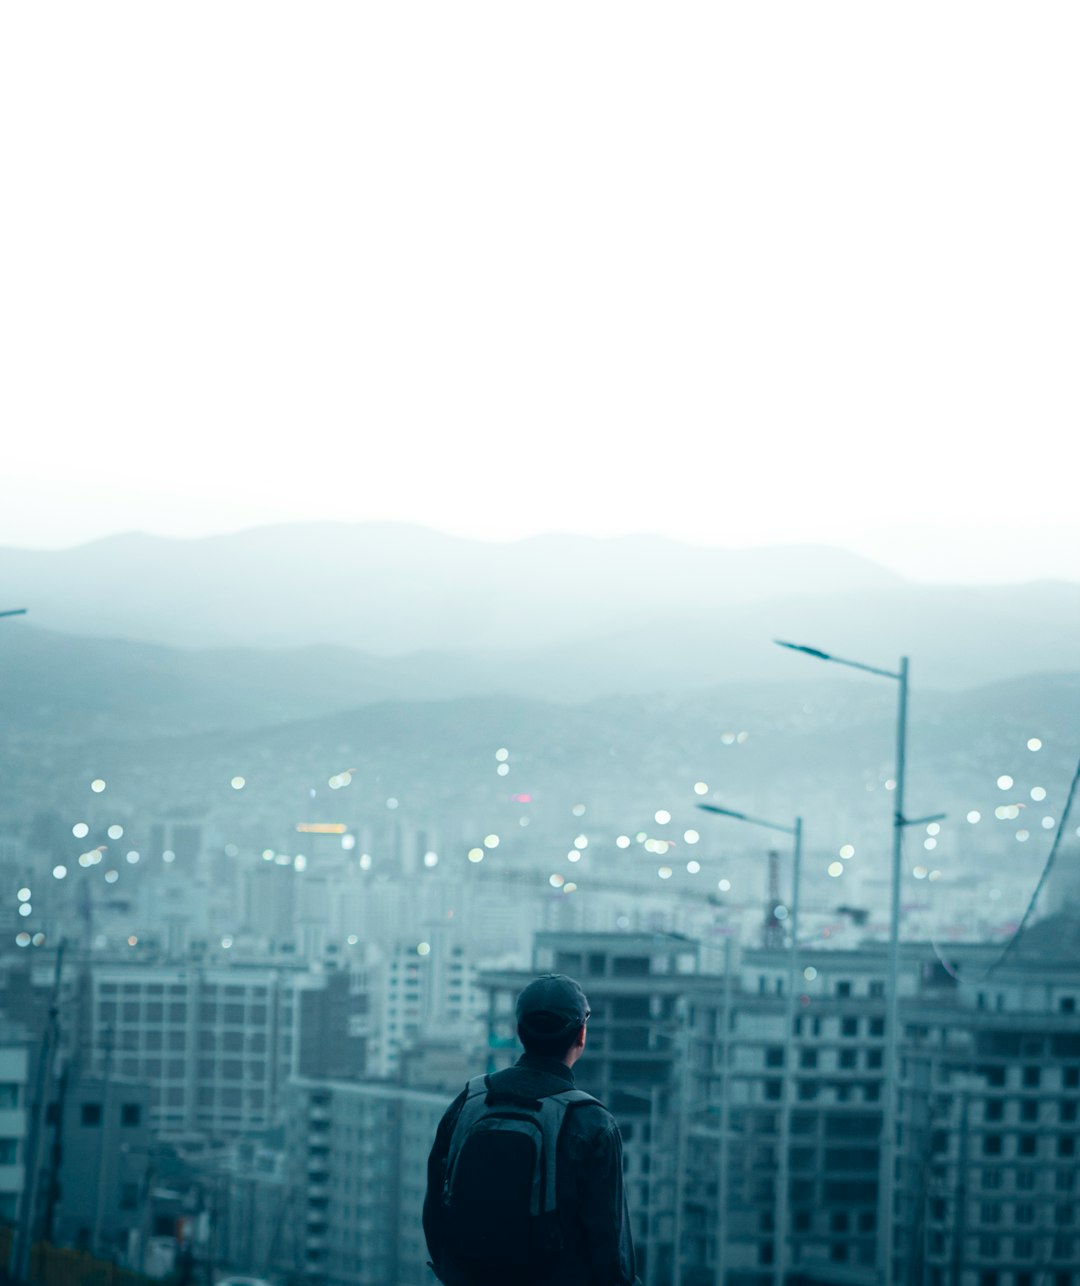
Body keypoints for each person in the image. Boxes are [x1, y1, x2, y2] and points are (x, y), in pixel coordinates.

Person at [423, 973, 640, 1285]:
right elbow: (610, 1252)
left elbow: (434, 1214)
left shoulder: (470, 1102)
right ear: (581, 1034)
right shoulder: (591, 1122)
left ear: (519, 1031)